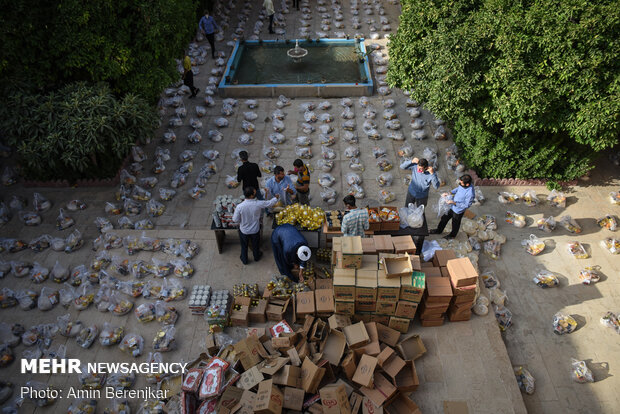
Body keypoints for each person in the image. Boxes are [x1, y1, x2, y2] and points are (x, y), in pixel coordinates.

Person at [232, 187, 278, 264]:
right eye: (254, 192)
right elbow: (269, 203)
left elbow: (235, 220)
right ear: (251, 195)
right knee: (255, 245)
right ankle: (256, 257)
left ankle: (244, 259)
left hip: (244, 231)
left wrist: (242, 221)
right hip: (255, 230)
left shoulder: (240, 207)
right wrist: (276, 198)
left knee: (244, 246)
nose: (255, 193)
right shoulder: (258, 204)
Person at [430, 174, 475, 239]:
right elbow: (458, 189)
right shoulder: (463, 185)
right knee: (444, 218)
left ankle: (452, 235)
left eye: (461, 183)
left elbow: (466, 205)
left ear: (467, 184)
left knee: (455, 223)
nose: (460, 184)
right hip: (451, 206)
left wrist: (454, 202)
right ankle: (438, 230)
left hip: (458, 211)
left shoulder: (470, 193)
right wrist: (450, 193)